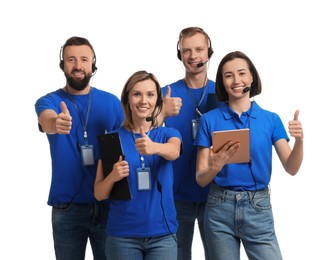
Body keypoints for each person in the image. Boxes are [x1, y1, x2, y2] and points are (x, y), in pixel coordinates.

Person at [194, 50, 304, 260]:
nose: (236, 80)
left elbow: (291, 168)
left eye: (242, 73)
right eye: (228, 75)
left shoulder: (271, 119)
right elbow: (201, 178)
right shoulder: (209, 120)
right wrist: (216, 165)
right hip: (219, 208)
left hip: (258, 207)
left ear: (252, 77)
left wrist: (299, 140)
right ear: (222, 83)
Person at [35, 36, 124, 260]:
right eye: (71, 59)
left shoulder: (112, 102)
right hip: (67, 207)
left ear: (93, 64)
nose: (78, 66)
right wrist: (55, 123)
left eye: (84, 59)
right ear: (62, 64)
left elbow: (131, 138)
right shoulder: (50, 101)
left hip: (107, 205)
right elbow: (46, 120)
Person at [94, 70, 182, 260]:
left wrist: (154, 147)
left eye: (150, 95)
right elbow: (99, 193)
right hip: (122, 236)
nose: (144, 101)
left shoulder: (169, 134)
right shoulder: (112, 139)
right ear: (127, 100)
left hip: (163, 236)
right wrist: (113, 177)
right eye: (137, 94)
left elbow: (174, 151)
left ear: (157, 101)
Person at [161, 26, 220, 260]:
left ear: (209, 52)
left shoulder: (224, 91)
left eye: (199, 49)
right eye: (187, 50)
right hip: (176, 195)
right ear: (180, 54)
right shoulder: (167, 92)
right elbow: (142, 131)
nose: (193, 56)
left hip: (215, 194)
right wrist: (161, 114)